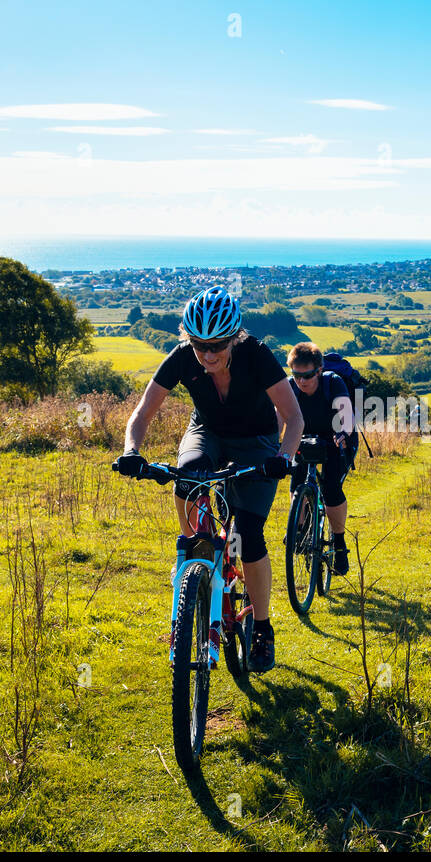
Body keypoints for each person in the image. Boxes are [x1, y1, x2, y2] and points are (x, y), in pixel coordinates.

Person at [114, 285, 302, 674]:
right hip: (207, 432)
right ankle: (193, 550)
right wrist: (132, 451)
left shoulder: (258, 355)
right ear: (189, 339)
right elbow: (143, 413)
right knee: (187, 477)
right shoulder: (183, 358)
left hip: (257, 441)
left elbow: (294, 418)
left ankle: (262, 626)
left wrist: (283, 458)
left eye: (218, 345)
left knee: (249, 533)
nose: (209, 354)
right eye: (200, 345)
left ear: (234, 338)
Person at [285, 342, 355, 576]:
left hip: (336, 439)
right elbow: (277, 421)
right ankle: (300, 526)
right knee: (296, 485)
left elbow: (346, 416)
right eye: (296, 375)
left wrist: (343, 434)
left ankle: (339, 542)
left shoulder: (333, 382)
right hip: (303, 438)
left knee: (331, 488)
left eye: (307, 375)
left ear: (318, 370)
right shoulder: (289, 388)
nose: (301, 381)